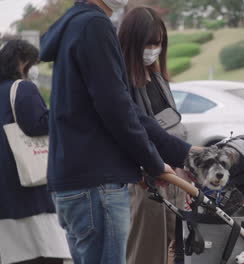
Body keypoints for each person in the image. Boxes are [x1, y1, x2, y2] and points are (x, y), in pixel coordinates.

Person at [40, 0, 194, 263]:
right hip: (97, 186)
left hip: (74, 183)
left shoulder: (73, 26)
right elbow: (117, 108)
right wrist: (155, 163)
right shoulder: (94, 26)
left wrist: (182, 153)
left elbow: (126, 109)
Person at [117, 7, 187, 264]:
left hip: (172, 176)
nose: (154, 49)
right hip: (145, 180)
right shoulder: (121, 80)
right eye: (149, 43)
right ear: (133, 42)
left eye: (159, 43)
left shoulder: (157, 77)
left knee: (173, 247)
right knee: (146, 251)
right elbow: (132, 130)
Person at [0, 40, 70, 264]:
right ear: (22, 62)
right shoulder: (22, 87)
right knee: (44, 251)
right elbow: (36, 125)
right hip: (25, 181)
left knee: (13, 253)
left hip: (5, 186)